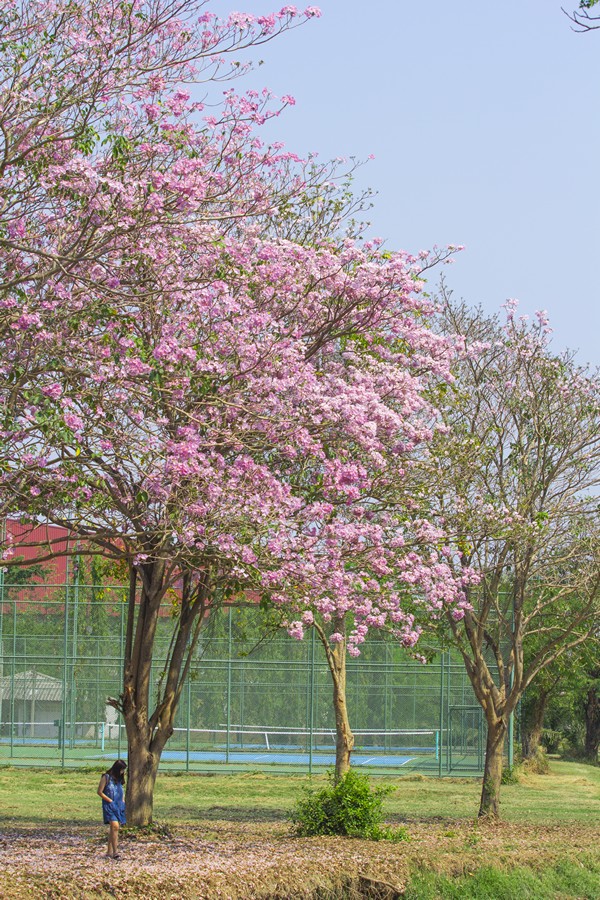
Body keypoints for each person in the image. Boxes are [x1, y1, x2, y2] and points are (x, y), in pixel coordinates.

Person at [97, 759, 127, 859]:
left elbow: (120, 791)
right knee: (115, 826)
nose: (123, 772)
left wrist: (122, 801)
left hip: (119, 805)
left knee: (113, 829)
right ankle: (115, 852)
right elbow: (100, 792)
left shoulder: (119, 780)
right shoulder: (106, 777)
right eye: (121, 770)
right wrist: (109, 800)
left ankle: (109, 851)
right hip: (109, 806)